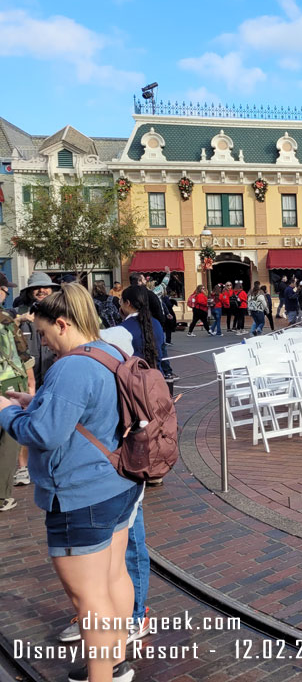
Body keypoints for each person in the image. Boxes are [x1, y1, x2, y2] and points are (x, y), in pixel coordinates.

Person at [0, 284, 143, 682]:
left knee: (88, 596)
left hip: (80, 493)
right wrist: (36, 403)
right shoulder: (111, 351)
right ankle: (114, 665)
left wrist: (6, 414)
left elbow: (44, 434)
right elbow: (87, 412)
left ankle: (101, 677)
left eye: (45, 334)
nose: (44, 343)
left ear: (63, 324)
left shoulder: (71, 366)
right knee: (115, 578)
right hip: (118, 481)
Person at [0, 273, 34, 512]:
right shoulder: (5, 320)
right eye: (4, 289)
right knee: (8, 439)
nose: (6, 294)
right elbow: (19, 352)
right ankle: (2, 495)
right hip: (6, 380)